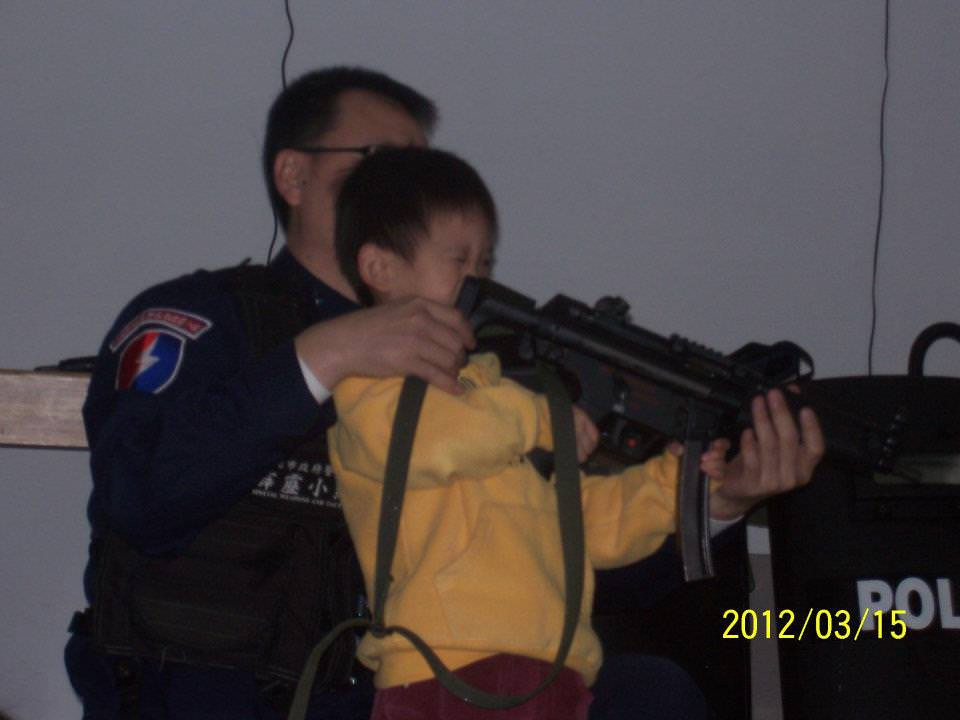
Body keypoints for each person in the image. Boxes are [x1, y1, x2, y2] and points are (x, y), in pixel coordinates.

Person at [325, 146, 825, 720]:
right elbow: (434, 444)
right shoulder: (369, 386)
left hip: (554, 673)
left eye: (484, 262)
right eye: (458, 260)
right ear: (381, 269)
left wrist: (678, 480)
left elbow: (587, 522)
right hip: (441, 672)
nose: (479, 280)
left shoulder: (493, 398)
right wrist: (541, 419)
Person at [66, 67, 477, 720]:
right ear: (294, 176)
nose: (410, 193)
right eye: (383, 162)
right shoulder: (201, 318)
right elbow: (139, 495)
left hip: (398, 693)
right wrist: (324, 356)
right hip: (201, 695)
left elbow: (555, 550)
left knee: (640, 685)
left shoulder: (465, 355)